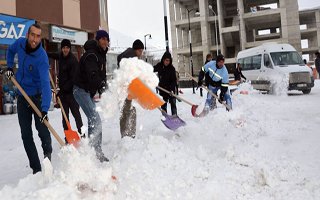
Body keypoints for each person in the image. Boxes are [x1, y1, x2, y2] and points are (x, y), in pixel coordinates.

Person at [5, 24, 52, 174]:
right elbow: (10, 51)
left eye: (38, 36)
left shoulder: (42, 57)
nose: (35, 39)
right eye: (33, 35)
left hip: (37, 97)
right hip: (22, 96)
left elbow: (46, 84)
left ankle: (47, 156)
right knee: (26, 135)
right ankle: (36, 169)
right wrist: (10, 66)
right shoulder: (19, 43)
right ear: (27, 34)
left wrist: (44, 109)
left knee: (42, 130)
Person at [73, 30, 109, 162]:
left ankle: (92, 150)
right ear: (98, 40)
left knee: (93, 120)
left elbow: (101, 75)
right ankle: (95, 152)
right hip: (80, 90)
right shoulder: (91, 55)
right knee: (95, 119)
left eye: (107, 39)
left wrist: (105, 87)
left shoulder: (101, 54)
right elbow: (93, 74)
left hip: (87, 92)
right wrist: (101, 86)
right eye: (102, 39)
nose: (105, 41)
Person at [47, 39, 84, 140]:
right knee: (65, 116)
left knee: (76, 115)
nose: (65, 50)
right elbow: (55, 55)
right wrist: (45, 54)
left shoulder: (73, 61)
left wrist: (61, 91)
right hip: (64, 94)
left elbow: (73, 80)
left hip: (72, 94)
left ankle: (82, 134)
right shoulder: (61, 56)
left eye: (67, 48)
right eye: (63, 48)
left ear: (70, 48)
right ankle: (68, 137)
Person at [117, 39, 144, 138]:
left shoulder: (126, 55)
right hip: (127, 90)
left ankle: (125, 135)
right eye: (140, 51)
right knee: (130, 112)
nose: (141, 53)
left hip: (123, 90)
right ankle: (129, 136)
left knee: (125, 112)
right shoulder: (131, 57)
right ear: (136, 50)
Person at [154, 51, 178, 116]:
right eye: (166, 60)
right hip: (162, 89)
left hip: (170, 89)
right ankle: (165, 116)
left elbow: (174, 81)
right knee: (163, 104)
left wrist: (172, 90)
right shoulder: (159, 66)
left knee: (173, 103)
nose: (167, 62)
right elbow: (152, 69)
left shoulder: (172, 69)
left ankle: (174, 116)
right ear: (163, 59)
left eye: (169, 61)